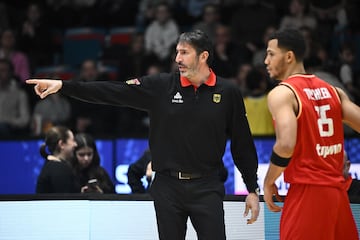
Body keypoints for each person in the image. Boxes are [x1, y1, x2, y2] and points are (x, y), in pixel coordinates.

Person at [26, 30, 260, 240]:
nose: (177, 59)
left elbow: (242, 143)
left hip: (207, 186)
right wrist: (64, 86)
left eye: (184, 53)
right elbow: (112, 91)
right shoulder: (160, 86)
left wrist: (251, 188)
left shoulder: (228, 92)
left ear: (203, 56)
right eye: (177, 52)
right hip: (167, 187)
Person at [262, 28, 360, 239]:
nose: (265, 61)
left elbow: (286, 145)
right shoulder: (333, 90)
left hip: (308, 192)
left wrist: (269, 181)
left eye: (271, 54)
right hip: (337, 194)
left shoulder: (282, 93)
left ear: (289, 57)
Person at [36, 126, 79, 193]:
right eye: (73, 140)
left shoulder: (52, 165)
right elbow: (66, 199)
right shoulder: (59, 169)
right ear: (61, 144)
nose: (75, 144)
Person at [0, 58, 30, 136]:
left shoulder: (20, 94)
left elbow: (25, 119)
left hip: (10, 131)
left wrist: (8, 121)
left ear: (11, 73)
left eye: (3, 70)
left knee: (2, 127)